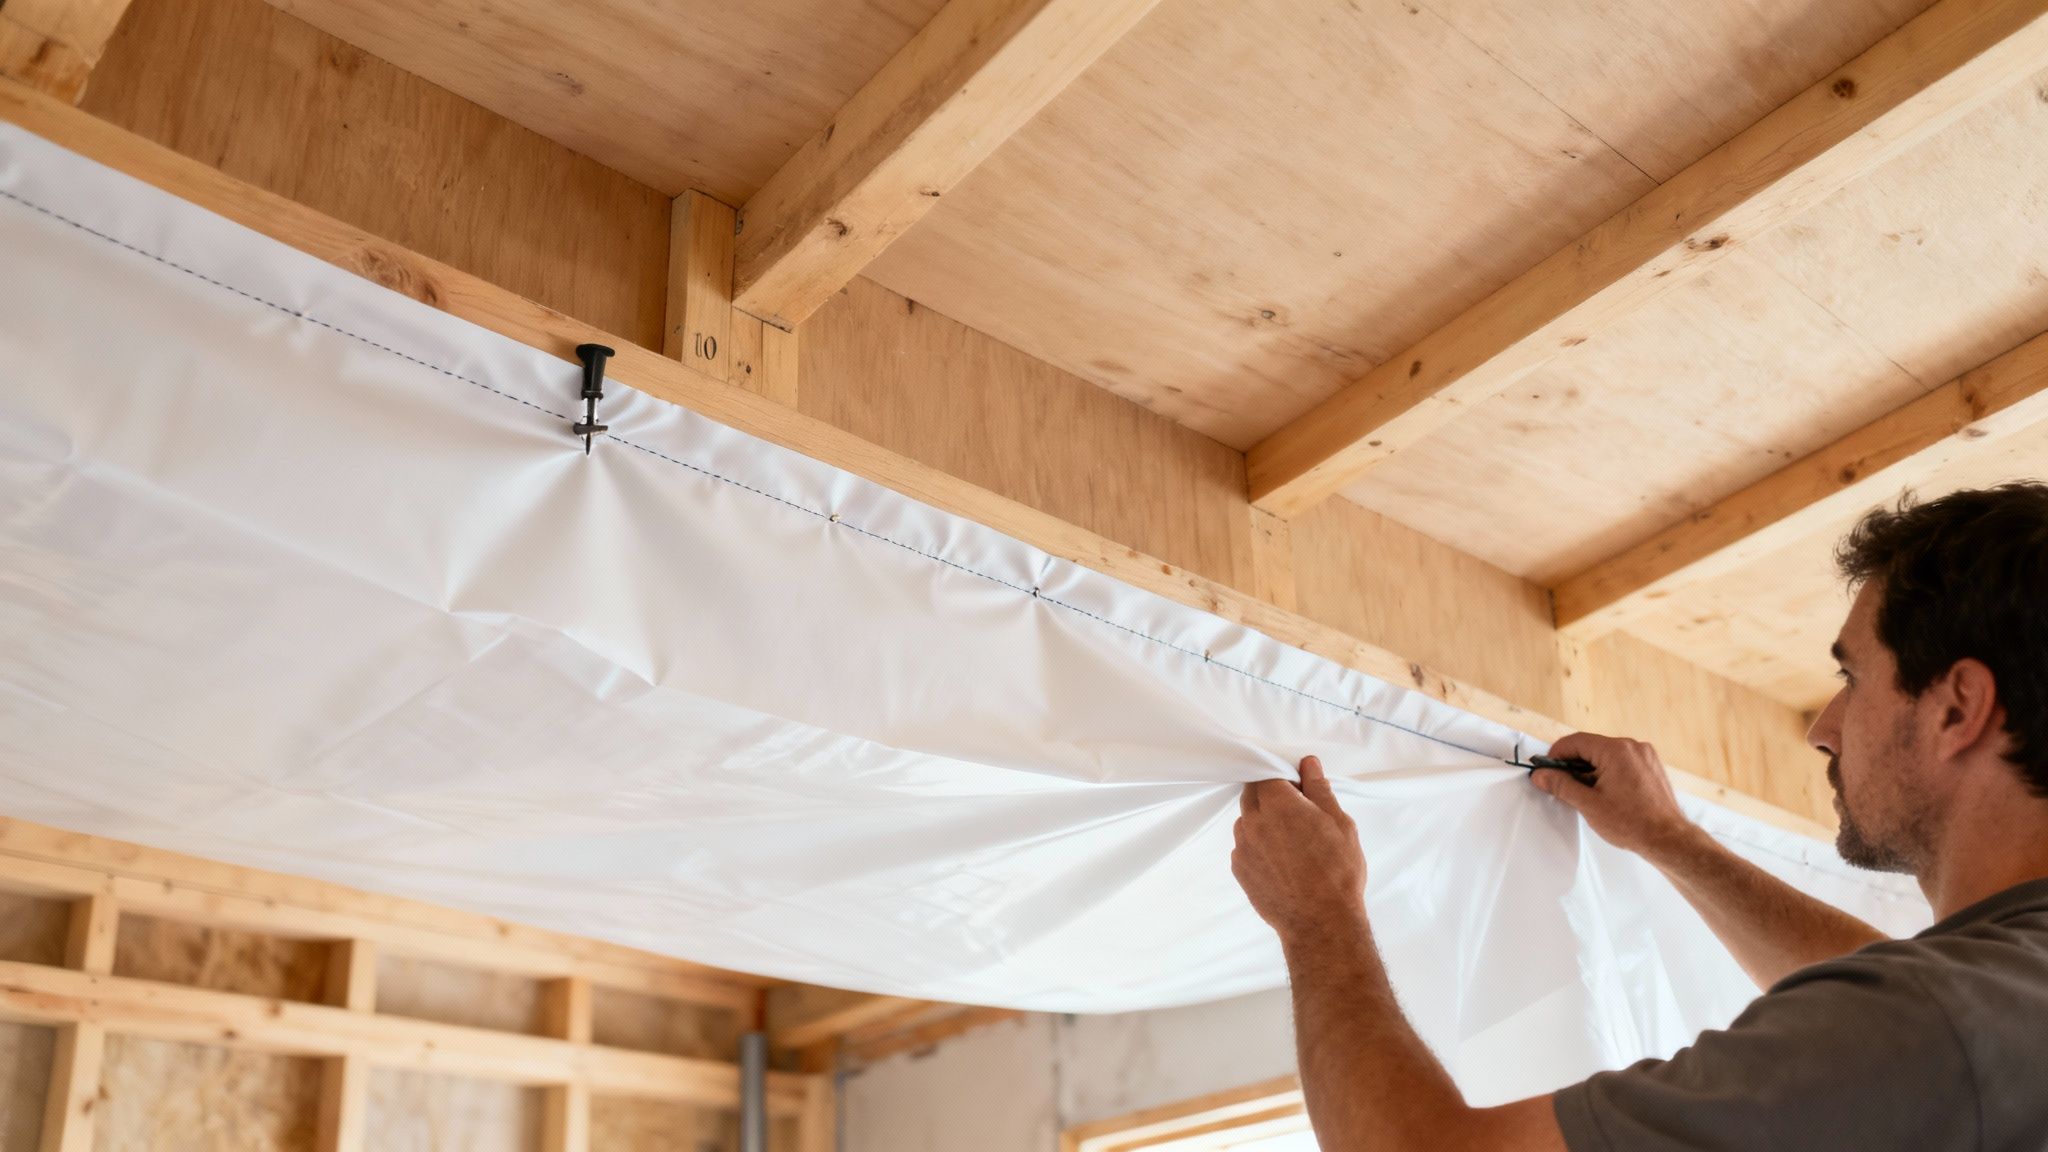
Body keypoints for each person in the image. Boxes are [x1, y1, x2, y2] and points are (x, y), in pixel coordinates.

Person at [1230, 483, 2048, 1151]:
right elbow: (1899, 988)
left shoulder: (1939, 1026)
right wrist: (1671, 840)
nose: (1823, 728)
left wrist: (1319, 920)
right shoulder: (1999, 998)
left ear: (1958, 709)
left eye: (1854, 677)